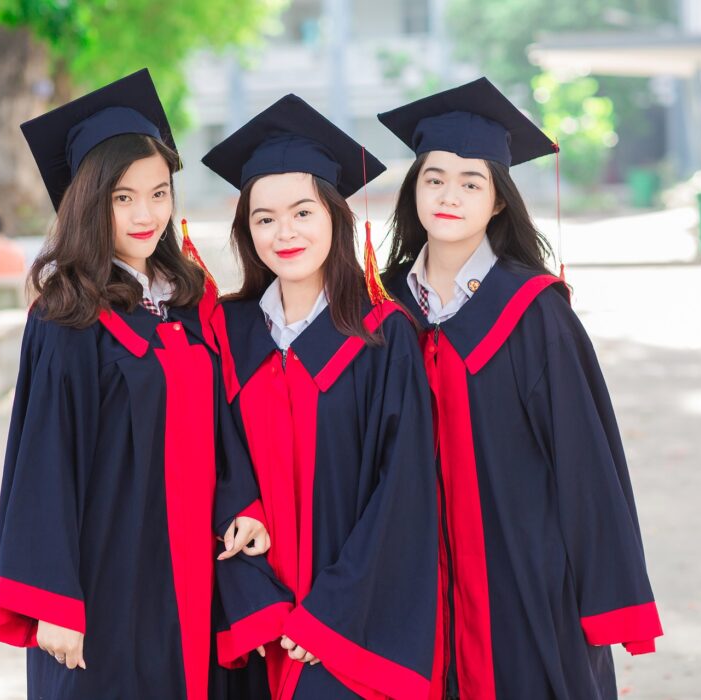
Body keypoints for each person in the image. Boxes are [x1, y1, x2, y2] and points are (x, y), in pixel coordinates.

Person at [0, 68, 269, 699]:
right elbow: (44, 460)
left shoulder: (189, 302)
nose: (147, 214)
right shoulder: (67, 315)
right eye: (123, 197)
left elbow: (224, 425)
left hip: (194, 564)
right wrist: (54, 597)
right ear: (89, 200)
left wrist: (241, 504)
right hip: (107, 566)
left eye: (159, 192)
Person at [378, 77, 663, 699]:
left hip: (525, 577)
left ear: (499, 201)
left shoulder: (534, 311)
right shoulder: (383, 307)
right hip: (415, 583)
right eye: (434, 178)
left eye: (471, 182)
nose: (449, 195)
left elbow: (586, 460)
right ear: (414, 190)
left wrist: (607, 596)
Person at [202, 94, 439, 700]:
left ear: (336, 216)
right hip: (255, 617)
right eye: (263, 218)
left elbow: (402, 492)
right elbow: (213, 467)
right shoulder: (228, 333)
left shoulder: (383, 337)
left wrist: (333, 614)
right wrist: (253, 594)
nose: (284, 232)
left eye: (302, 211)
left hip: (352, 623)